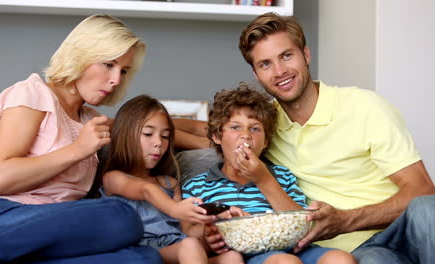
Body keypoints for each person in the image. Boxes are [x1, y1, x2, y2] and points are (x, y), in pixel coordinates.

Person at [176, 12, 435, 264]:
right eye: (265, 64)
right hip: (355, 252)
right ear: (256, 74)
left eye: (286, 56)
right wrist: (152, 130)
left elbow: (423, 191)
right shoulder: (267, 125)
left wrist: (347, 219)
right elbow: (215, 133)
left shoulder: (365, 106)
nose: (279, 71)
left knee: (427, 209)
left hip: (399, 231)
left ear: (306, 54)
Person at [0, 14, 163, 264]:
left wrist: (218, 136)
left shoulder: (90, 120)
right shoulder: (33, 94)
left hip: (57, 229)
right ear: (81, 55)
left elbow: (153, 124)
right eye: (108, 64)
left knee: (145, 258)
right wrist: (78, 149)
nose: (116, 80)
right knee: (120, 216)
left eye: (123, 71)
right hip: (0, 213)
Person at [181, 84, 356, 264]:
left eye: (255, 129)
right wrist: (208, 233)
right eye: (235, 127)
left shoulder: (282, 176)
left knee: (341, 259)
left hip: (294, 247)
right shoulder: (197, 185)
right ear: (217, 137)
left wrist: (264, 179)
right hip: (249, 256)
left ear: (265, 142)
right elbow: (186, 232)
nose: (246, 135)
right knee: (285, 262)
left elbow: (301, 222)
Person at [100, 94, 244, 264]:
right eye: (148, 134)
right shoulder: (113, 178)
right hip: (140, 252)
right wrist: (174, 209)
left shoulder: (170, 184)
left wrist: (214, 220)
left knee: (231, 258)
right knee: (189, 246)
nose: (158, 143)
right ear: (125, 134)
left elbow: (187, 231)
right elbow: (146, 191)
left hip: (176, 250)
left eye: (165, 136)